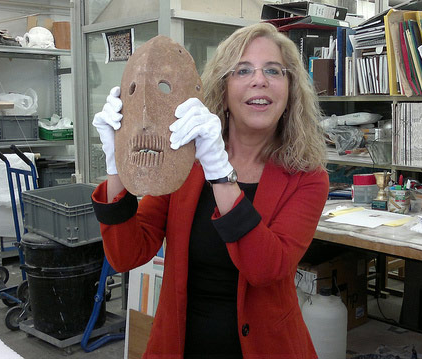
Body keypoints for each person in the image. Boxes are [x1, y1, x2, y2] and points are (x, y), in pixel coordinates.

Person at [92, 22, 329, 359]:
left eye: (273, 71)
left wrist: (219, 174)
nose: (259, 79)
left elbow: (267, 269)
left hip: (267, 348)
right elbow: (127, 254)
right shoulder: (184, 158)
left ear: (290, 89)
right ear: (223, 87)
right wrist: (115, 165)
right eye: (242, 70)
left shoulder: (306, 177)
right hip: (181, 345)